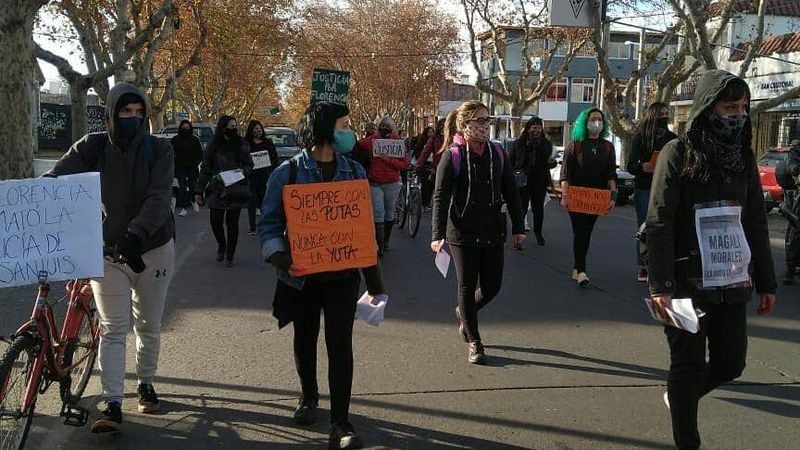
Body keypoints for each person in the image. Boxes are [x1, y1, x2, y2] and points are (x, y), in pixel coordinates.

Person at [646, 70, 777, 450]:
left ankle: (680, 398)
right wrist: (661, 284)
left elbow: (755, 221)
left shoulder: (743, 157)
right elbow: (659, 221)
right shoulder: (678, 153)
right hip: (684, 281)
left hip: (731, 281)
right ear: (708, 108)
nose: (737, 114)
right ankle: (687, 436)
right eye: (729, 106)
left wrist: (766, 281)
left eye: (743, 107)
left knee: (731, 363)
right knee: (686, 366)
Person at [47, 82, 175, 433]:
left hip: (153, 249)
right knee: (113, 328)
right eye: (125, 112)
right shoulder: (91, 147)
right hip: (107, 254)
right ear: (111, 114)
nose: (133, 118)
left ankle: (146, 383)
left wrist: (137, 234)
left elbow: (159, 198)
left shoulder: (160, 150)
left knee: (148, 324)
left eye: (139, 112)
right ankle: (113, 401)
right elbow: (55, 180)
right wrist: (33, 199)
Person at [258, 101, 386, 450]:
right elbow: (268, 224)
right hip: (301, 278)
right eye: (345, 124)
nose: (350, 131)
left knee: (340, 346)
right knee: (305, 338)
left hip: (343, 278)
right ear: (327, 130)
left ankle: (341, 423)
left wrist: (375, 283)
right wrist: (282, 259)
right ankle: (309, 395)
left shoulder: (355, 172)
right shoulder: (287, 174)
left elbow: (364, 233)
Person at [430, 100, 525, 364]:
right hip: (462, 232)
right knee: (467, 285)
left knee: (492, 286)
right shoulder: (454, 155)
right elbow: (440, 197)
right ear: (464, 125)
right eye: (480, 121)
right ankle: (474, 341)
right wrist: (436, 235)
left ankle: (465, 311)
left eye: (487, 120)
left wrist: (519, 226)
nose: (485, 126)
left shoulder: (498, 154)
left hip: (493, 230)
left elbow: (512, 192)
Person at [559, 108, 617, 287]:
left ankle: (577, 267)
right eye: (593, 119)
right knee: (580, 232)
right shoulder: (574, 145)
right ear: (585, 122)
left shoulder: (607, 147)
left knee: (587, 233)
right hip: (577, 196)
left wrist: (612, 196)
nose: (597, 122)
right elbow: (565, 174)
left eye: (599, 119)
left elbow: (611, 175)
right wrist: (565, 195)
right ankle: (581, 270)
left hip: (597, 198)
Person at [194, 116, 254, 267]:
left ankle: (230, 254)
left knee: (232, 223)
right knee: (215, 221)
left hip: (236, 188)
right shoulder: (213, 146)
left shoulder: (242, 144)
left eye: (235, 125)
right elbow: (206, 169)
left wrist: (244, 170)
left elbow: (250, 164)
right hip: (217, 188)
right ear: (223, 128)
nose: (233, 128)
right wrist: (198, 190)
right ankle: (222, 244)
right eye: (230, 126)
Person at [627, 102, 677, 281]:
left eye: (666, 113)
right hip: (644, 188)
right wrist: (643, 166)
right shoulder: (641, 138)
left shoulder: (672, 138)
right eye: (661, 114)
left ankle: (660, 266)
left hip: (665, 188)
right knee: (644, 227)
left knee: (665, 228)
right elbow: (631, 165)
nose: (664, 116)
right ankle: (643, 266)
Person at [356, 115, 408, 255]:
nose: (384, 130)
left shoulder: (397, 143)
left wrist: (388, 160)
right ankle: (379, 245)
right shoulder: (372, 140)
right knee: (378, 212)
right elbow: (358, 145)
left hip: (391, 183)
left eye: (387, 128)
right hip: (375, 182)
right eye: (382, 128)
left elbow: (404, 164)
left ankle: (385, 241)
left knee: (389, 211)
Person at [508, 116, 555, 247]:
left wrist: (552, 163)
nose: (537, 130)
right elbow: (510, 162)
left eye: (539, 128)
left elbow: (548, 163)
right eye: (534, 128)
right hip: (522, 181)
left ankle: (538, 233)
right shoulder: (518, 143)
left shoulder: (546, 144)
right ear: (528, 129)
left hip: (539, 181)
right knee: (520, 210)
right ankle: (517, 236)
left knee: (538, 209)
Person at [244, 120, 279, 235]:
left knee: (265, 201)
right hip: (251, 176)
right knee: (251, 202)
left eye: (259, 128)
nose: (258, 130)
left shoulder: (268, 143)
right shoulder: (246, 144)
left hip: (265, 176)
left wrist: (273, 172)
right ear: (251, 130)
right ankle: (252, 227)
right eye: (255, 128)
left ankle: (265, 225)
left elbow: (274, 159)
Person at [171, 119, 203, 217]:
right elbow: (171, 153)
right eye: (184, 128)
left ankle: (193, 200)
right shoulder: (175, 140)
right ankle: (183, 208)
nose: (186, 129)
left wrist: (195, 163)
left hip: (192, 167)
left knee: (193, 186)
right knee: (182, 188)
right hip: (180, 167)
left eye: (188, 128)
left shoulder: (195, 139)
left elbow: (200, 154)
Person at [416, 119, 447, 207]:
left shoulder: (454, 137)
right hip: (437, 168)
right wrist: (419, 164)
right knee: (436, 190)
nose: (443, 129)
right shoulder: (434, 139)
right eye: (442, 126)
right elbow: (425, 153)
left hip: (452, 168)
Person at [782, 139, 800, 284]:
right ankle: (790, 270)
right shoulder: (796, 150)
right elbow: (791, 165)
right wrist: (794, 168)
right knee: (798, 231)